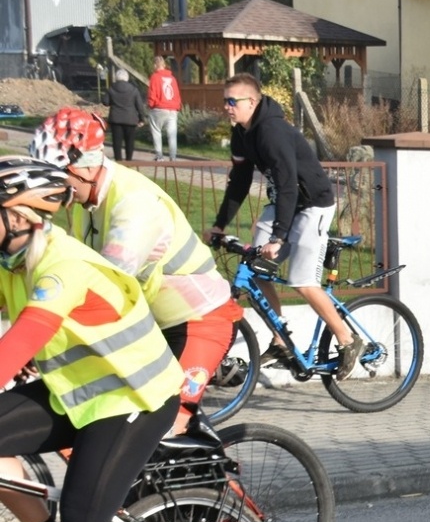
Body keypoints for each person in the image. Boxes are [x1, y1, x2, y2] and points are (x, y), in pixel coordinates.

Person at [0, 157, 183, 522]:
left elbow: (18, 344)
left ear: (22, 217)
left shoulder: (63, 265)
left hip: (132, 397)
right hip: (76, 390)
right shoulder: (11, 260)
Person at [32, 107, 242, 433]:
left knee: (162, 426)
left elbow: (105, 288)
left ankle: (197, 454)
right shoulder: (88, 202)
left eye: (57, 177)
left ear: (85, 167)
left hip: (198, 322)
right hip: (153, 327)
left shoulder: (134, 204)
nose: (52, 187)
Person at [204, 74, 359, 379]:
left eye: (232, 101)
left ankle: (348, 339)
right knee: (255, 268)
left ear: (252, 101)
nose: (226, 107)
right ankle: (281, 341)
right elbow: (240, 182)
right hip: (285, 203)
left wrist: (278, 237)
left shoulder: (271, 131)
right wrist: (220, 225)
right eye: (225, 101)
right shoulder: (241, 133)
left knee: (302, 280)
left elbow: (288, 184)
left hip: (313, 204)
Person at [104, 69, 145, 163]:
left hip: (116, 119)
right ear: (127, 78)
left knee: (116, 142)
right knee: (130, 142)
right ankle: (128, 160)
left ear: (116, 78)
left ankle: (118, 161)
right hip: (130, 119)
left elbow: (105, 102)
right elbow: (139, 106)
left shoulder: (111, 88)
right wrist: (141, 119)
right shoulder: (134, 90)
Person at [146, 56, 182, 162]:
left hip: (159, 108)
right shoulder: (173, 79)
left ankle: (159, 156)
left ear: (155, 65)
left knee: (156, 131)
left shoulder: (154, 77)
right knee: (172, 134)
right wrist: (177, 106)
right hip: (172, 108)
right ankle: (173, 157)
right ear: (164, 65)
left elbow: (152, 94)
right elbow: (177, 94)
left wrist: (150, 105)